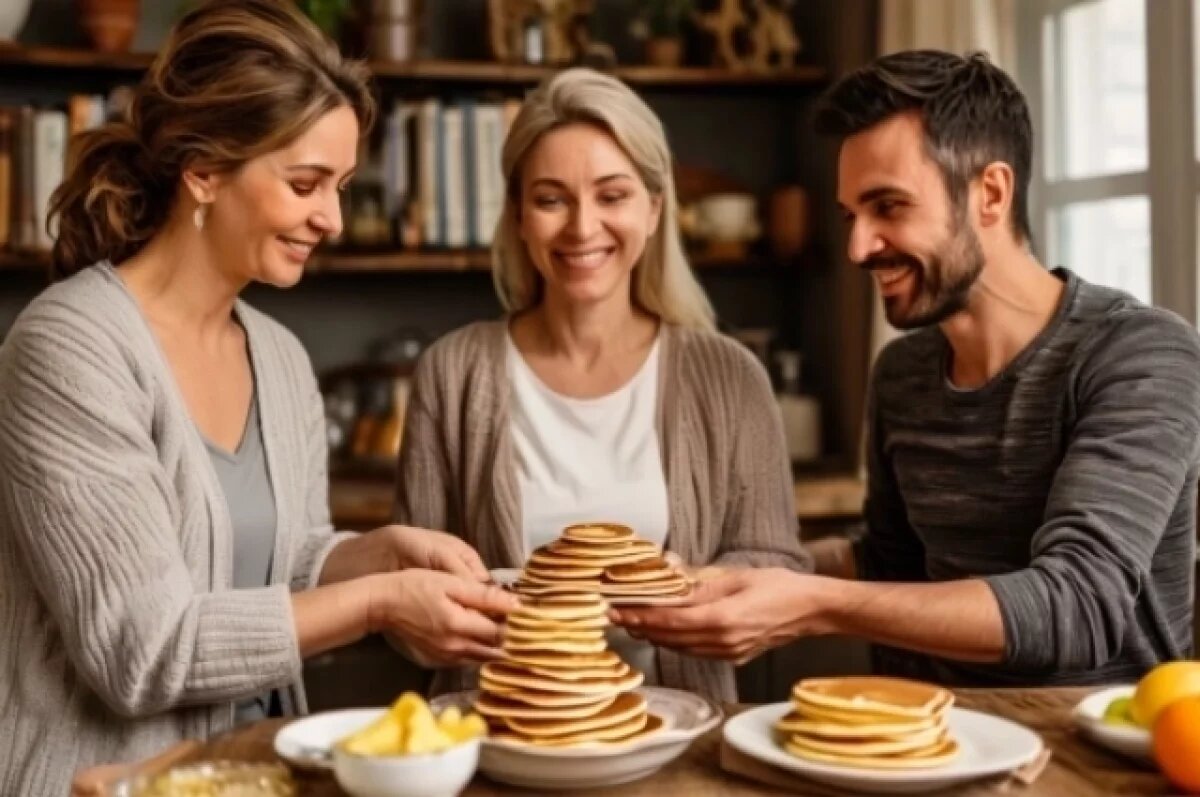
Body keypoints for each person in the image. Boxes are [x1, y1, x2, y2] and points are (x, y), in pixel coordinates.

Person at [0, 2, 517, 793]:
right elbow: (141, 649)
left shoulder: (278, 356)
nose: (332, 218)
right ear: (204, 171)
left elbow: (282, 561)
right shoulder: (69, 348)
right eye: (305, 184)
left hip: (255, 775)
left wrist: (375, 553)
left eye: (341, 186)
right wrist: (379, 602)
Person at [612, 50, 1200, 687]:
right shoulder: (903, 373)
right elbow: (889, 563)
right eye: (850, 215)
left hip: (1091, 747)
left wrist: (811, 605)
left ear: (991, 194)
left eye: (888, 207)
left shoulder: (1140, 355)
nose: (858, 247)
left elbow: (1078, 608)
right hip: (932, 737)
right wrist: (735, 575)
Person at [393, 67, 810, 702]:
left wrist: (690, 585)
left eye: (612, 195)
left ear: (654, 207)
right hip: (500, 731)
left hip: (683, 734)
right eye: (551, 199)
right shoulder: (452, 373)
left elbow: (775, 567)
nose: (583, 228)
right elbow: (409, 595)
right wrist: (437, 618)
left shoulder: (730, 378)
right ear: (518, 214)